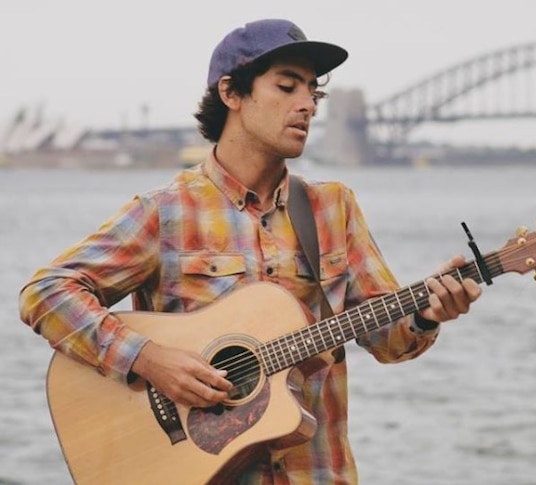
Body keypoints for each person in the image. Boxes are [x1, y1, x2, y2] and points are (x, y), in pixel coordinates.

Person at [19, 18, 482, 484]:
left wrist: (426, 314)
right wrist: (147, 359)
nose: (307, 106)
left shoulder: (333, 208)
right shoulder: (167, 212)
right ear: (231, 93)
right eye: (287, 87)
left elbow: (388, 340)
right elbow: (45, 293)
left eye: (313, 94)